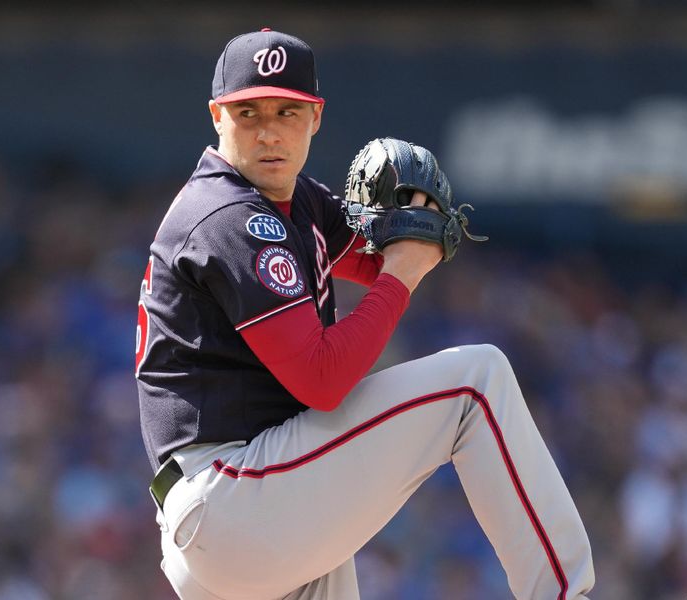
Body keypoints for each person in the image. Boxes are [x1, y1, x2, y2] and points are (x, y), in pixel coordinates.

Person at [135, 27, 595, 600]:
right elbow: (324, 379)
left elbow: (380, 261)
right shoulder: (231, 217)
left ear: (316, 117)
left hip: (242, 514)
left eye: (288, 111)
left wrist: (413, 228)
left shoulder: (293, 200)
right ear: (217, 118)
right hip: (234, 498)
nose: (270, 130)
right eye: (248, 112)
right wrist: (406, 266)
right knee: (475, 384)